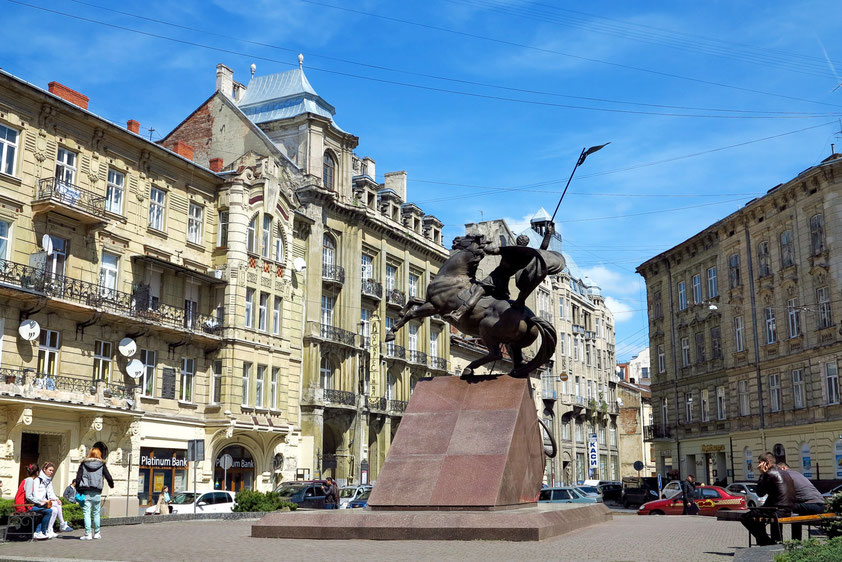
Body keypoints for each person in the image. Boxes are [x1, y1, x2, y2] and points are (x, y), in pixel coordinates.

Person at [740, 452, 795, 545]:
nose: (758, 466)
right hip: (788, 509)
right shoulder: (784, 472)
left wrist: (762, 474)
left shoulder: (769, 474)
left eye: (759, 463)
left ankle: (765, 542)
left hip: (776, 510)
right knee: (757, 514)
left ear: (766, 462)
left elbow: (760, 493)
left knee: (746, 517)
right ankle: (769, 541)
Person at [778, 462, 825, 540]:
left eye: (778, 470)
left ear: (783, 468)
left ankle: (779, 541)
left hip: (812, 505)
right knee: (796, 514)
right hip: (820, 505)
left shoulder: (787, 475)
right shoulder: (797, 473)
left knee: (781, 510)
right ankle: (796, 540)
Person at [75, 446, 114, 540]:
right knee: (96, 513)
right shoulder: (102, 465)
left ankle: (87, 534)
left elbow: (78, 477)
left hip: (86, 491)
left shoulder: (83, 464)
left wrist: (78, 489)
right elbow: (108, 476)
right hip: (97, 492)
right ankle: (97, 533)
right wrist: (111, 484)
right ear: (99, 455)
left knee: (86, 513)